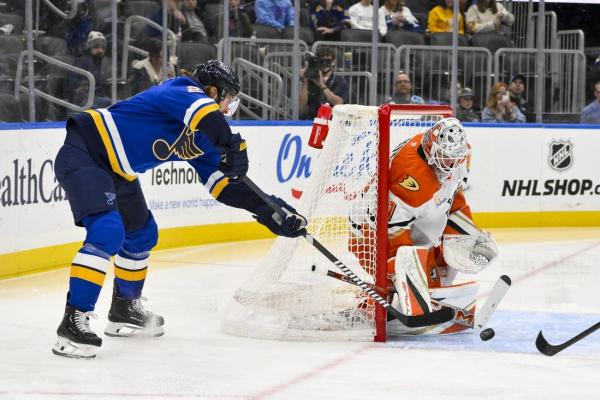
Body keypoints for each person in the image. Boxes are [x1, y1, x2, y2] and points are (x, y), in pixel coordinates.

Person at [52, 60, 307, 359]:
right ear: (212, 91)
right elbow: (210, 118)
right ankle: (73, 320)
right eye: (228, 101)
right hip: (85, 152)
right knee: (108, 231)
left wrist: (269, 210)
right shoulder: (182, 90)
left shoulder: (202, 135)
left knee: (142, 233)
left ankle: (124, 308)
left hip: (120, 172)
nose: (228, 110)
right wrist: (230, 144)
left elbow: (222, 185)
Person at [349, 118, 497, 334]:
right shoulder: (412, 178)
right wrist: (403, 273)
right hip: (370, 233)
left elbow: (452, 194)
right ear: (432, 151)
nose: (453, 163)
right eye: (447, 158)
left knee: (451, 254)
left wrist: (467, 233)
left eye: (456, 158)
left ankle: (428, 292)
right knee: (401, 278)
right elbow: (395, 231)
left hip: (411, 220)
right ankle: (370, 307)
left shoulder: (448, 156)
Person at [299, 47, 349, 119]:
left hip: (332, 121)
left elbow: (338, 102)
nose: (324, 64)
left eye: (327, 61)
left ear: (333, 62)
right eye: (321, 61)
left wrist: (321, 84)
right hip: (312, 120)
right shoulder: (310, 80)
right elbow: (301, 108)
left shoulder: (339, 81)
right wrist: (305, 79)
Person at [66, 31, 111, 108]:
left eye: (103, 48)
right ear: (89, 48)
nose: (100, 50)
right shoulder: (82, 61)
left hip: (96, 98)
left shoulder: (102, 63)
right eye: (96, 47)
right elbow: (73, 86)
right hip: (83, 100)